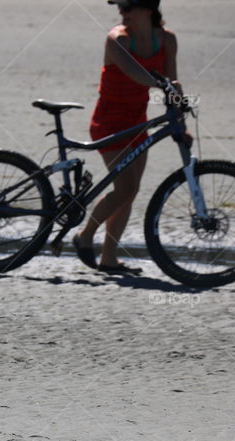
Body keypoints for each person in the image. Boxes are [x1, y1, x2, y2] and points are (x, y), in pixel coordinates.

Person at [73, 0, 189, 275]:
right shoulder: (118, 40)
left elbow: (173, 81)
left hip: (137, 122)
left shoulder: (167, 40)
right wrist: (164, 84)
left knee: (131, 190)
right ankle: (84, 236)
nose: (121, 12)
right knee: (125, 187)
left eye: (127, 7)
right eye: (120, 7)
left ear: (147, 9)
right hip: (109, 123)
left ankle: (109, 259)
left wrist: (181, 124)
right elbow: (136, 73)